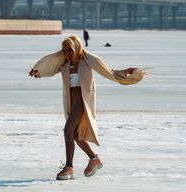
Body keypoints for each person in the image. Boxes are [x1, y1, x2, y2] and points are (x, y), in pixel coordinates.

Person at [28, 35, 144, 180]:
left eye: (70, 50)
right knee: (74, 134)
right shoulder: (64, 62)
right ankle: (93, 159)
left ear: (76, 47)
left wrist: (124, 72)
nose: (67, 53)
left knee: (68, 130)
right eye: (64, 51)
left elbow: (107, 71)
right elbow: (50, 67)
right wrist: (38, 72)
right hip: (71, 100)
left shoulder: (87, 60)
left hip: (82, 100)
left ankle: (69, 167)